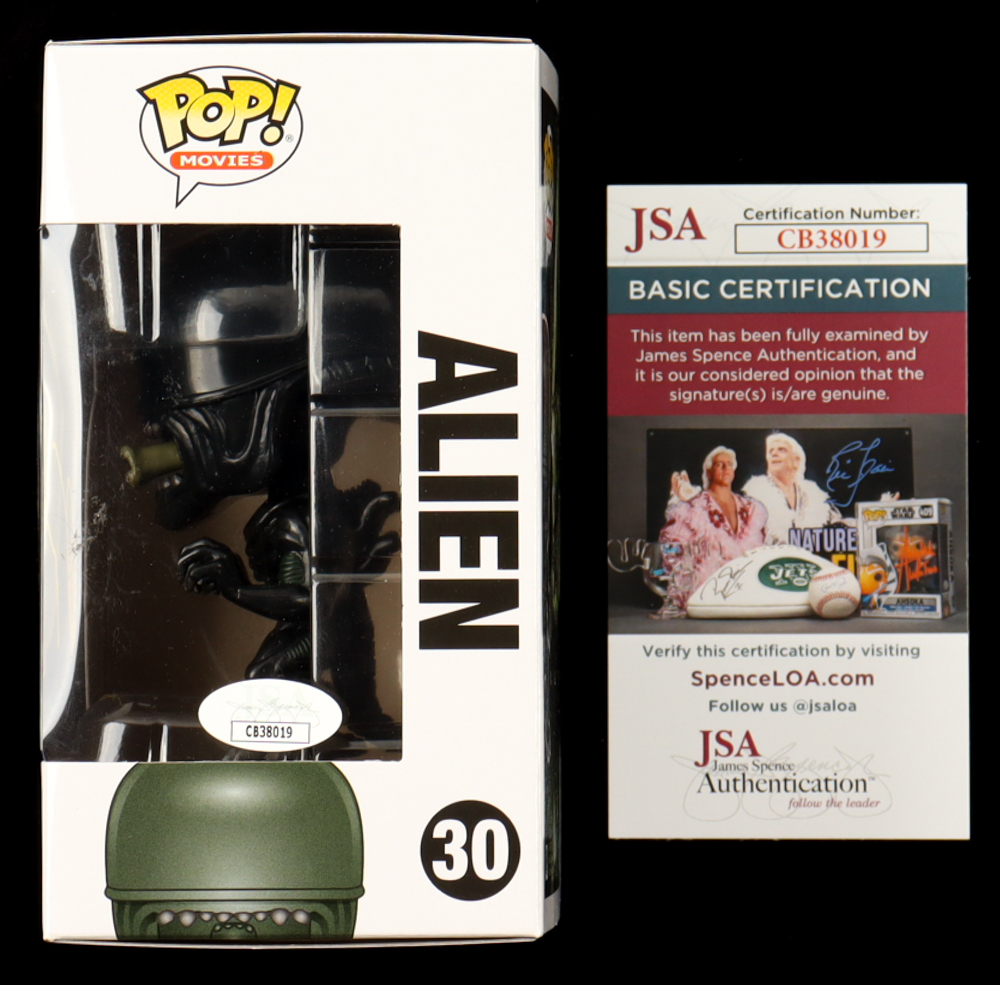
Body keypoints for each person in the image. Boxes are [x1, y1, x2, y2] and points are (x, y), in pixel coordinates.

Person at [659, 446, 767, 608]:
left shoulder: (750, 509)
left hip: (745, 595)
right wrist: (683, 583)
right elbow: (671, 550)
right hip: (706, 594)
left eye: (729, 464)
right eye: (719, 464)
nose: (726, 468)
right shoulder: (693, 507)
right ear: (708, 472)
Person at [741, 433, 840, 544]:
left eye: (781, 450)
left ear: (796, 460)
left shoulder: (815, 496)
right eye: (770, 451)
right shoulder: (754, 495)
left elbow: (839, 526)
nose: (774, 453)